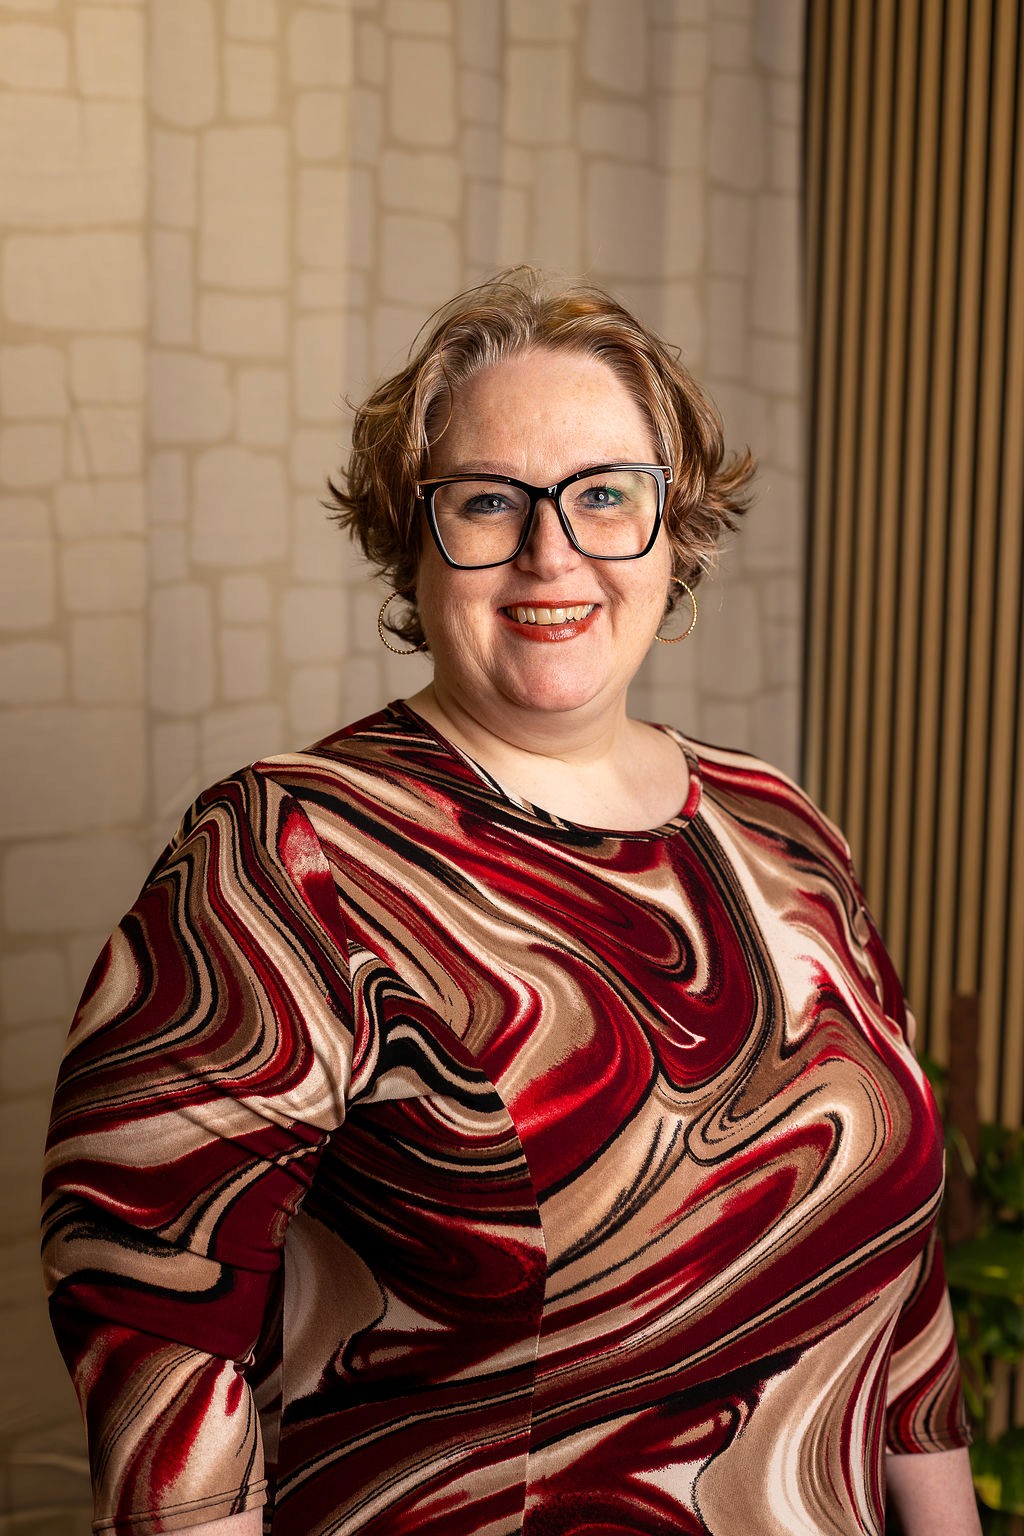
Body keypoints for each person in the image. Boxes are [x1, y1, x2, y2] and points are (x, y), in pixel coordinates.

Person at [42, 269, 980, 1536]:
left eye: (603, 497)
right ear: (409, 536)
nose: (553, 553)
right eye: (488, 502)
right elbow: (153, 1330)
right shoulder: (289, 854)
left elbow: (898, 1270)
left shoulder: (782, 827)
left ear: (674, 528)